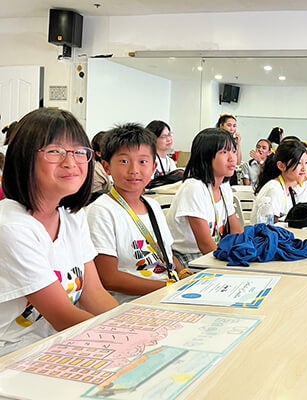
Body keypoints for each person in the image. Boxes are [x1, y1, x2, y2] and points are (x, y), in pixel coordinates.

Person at [0, 108, 118, 356]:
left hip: (57, 344)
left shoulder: (72, 216)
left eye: (79, 152)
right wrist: (124, 339)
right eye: (55, 151)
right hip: (13, 356)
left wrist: (130, 325)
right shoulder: (11, 226)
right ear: (24, 157)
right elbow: (63, 316)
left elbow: (93, 294)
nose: (70, 162)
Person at [86, 123, 191, 303]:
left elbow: (165, 253)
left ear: (153, 167)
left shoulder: (153, 206)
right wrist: (169, 288)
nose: (134, 170)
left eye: (143, 162)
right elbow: (109, 278)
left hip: (167, 292)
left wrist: (183, 274)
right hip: (132, 302)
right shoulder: (101, 211)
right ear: (106, 167)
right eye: (124, 161)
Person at [167, 128, 243, 267]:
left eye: (233, 151)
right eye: (224, 152)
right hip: (187, 256)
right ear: (206, 156)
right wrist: (229, 267)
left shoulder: (224, 185)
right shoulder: (193, 187)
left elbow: (236, 230)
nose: (232, 158)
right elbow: (204, 244)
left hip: (215, 250)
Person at [252, 139, 307, 223]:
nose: (304, 168)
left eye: (306, 163)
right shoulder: (274, 189)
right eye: (298, 163)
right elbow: (271, 225)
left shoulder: (292, 187)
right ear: (281, 166)